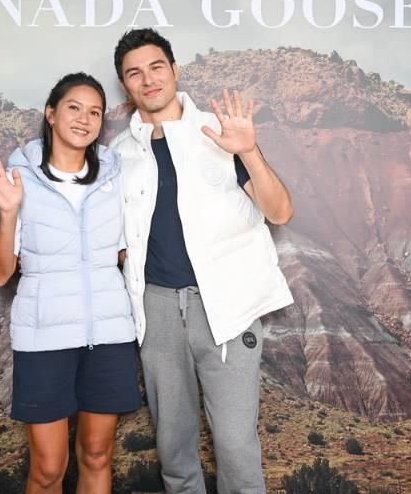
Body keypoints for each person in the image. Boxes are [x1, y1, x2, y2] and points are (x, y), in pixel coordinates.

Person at [109, 29, 294, 494]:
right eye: (134, 73)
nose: (148, 79)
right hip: (156, 309)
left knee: (235, 443)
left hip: (226, 308)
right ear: (125, 86)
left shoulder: (221, 132)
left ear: (174, 70)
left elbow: (280, 211)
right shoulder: (118, 155)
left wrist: (248, 150)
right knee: (173, 445)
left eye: (156, 67)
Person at [0, 72, 140, 494]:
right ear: (51, 114)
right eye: (73, 107)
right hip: (44, 339)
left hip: (109, 335)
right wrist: (10, 213)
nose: (84, 119)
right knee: (49, 468)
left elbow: (124, 252)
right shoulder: (16, 179)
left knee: (98, 455)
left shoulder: (115, 177)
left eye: (95, 112)